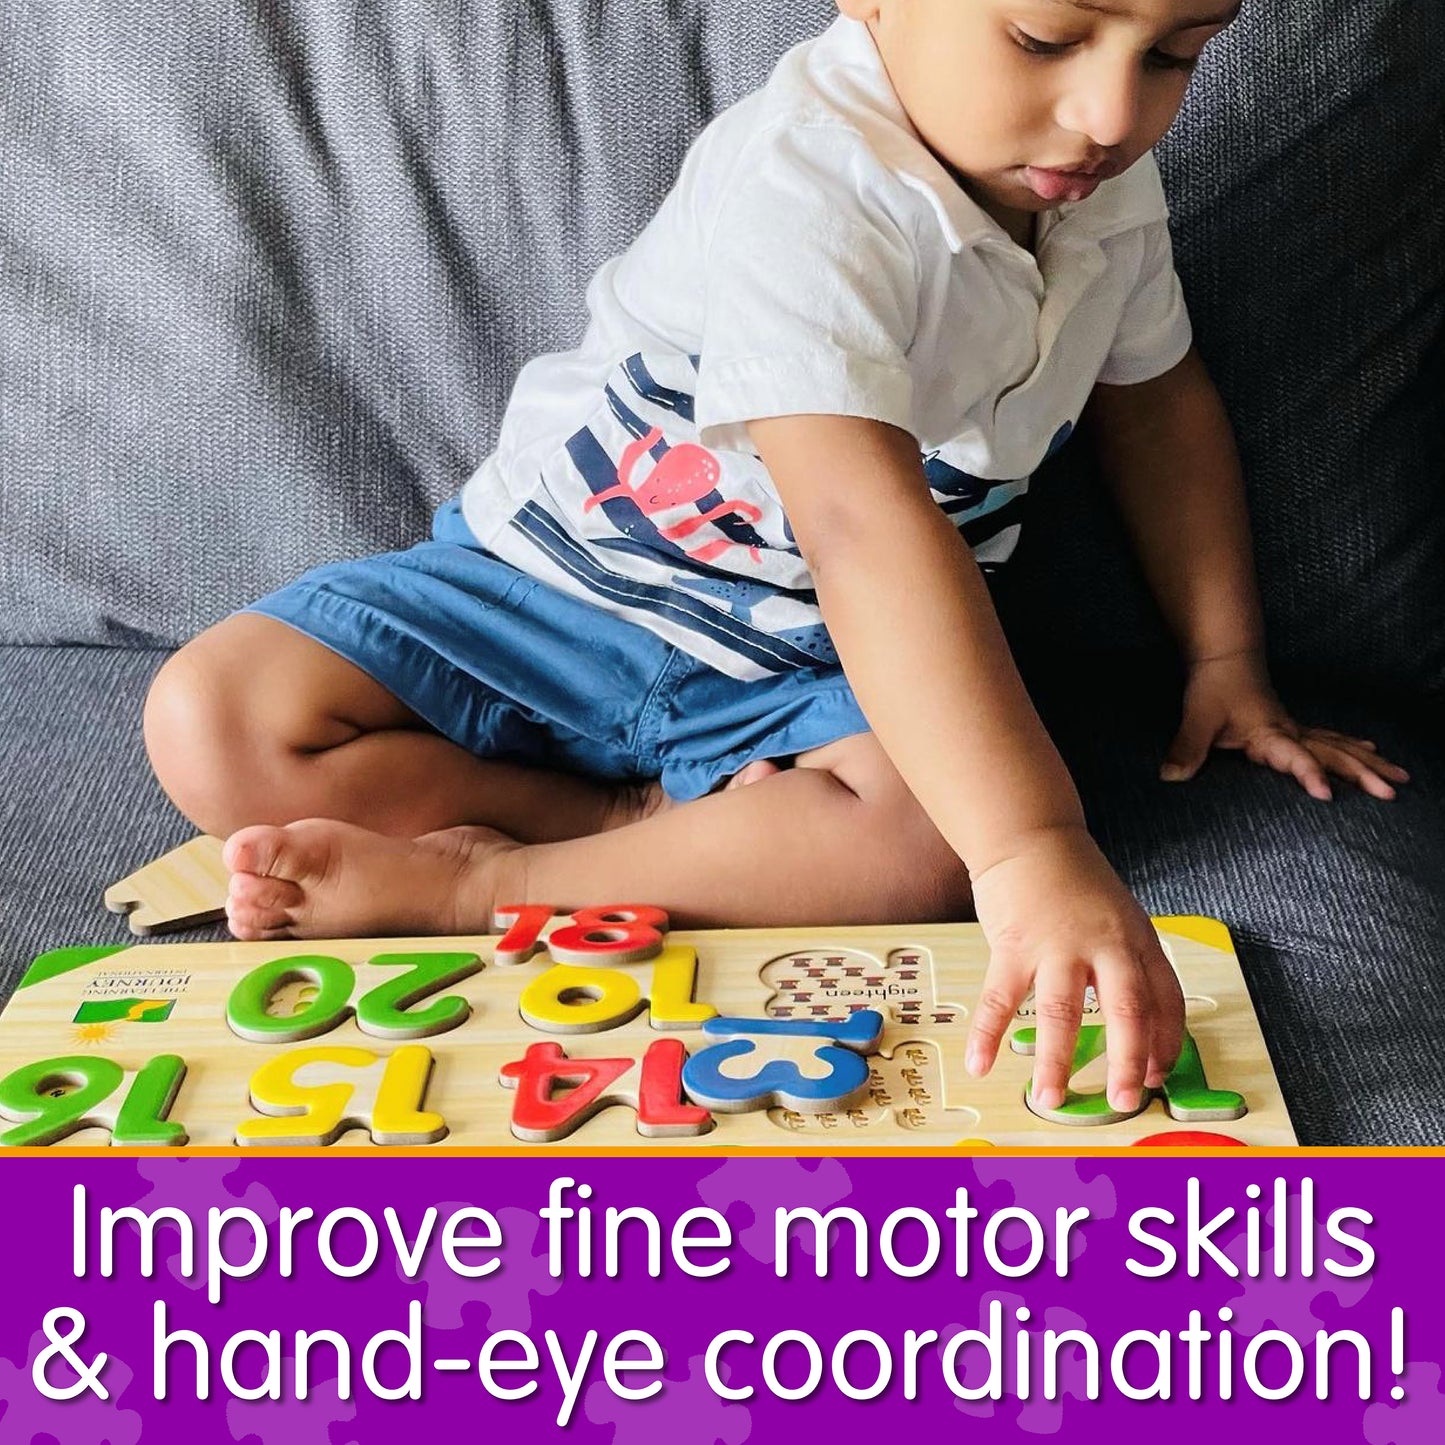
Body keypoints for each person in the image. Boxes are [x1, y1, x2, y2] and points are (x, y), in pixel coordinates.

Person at [142, 0, 1406, 1115]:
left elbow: (1157, 400)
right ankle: (651, 831)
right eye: (1043, 37)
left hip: (793, 663)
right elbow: (860, 522)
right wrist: (1033, 849)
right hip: (543, 591)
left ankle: (494, 879)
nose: (1105, 113)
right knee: (214, 720)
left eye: (1177, 54)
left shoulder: (1098, 190)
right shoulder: (809, 183)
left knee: (914, 845)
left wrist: (1226, 656)